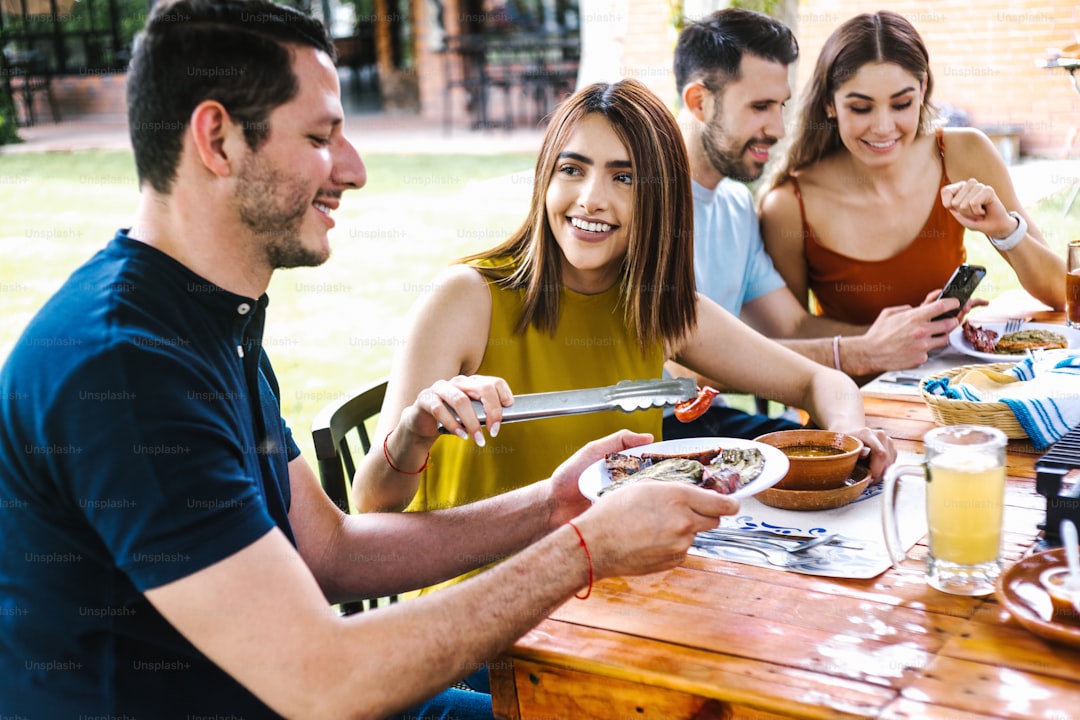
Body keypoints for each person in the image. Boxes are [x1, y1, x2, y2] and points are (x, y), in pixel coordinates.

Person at [0, 2, 746, 718]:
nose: (354, 169)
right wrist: (583, 550)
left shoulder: (205, 318)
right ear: (217, 139)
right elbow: (325, 683)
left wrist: (553, 505)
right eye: (322, 136)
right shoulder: (127, 367)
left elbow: (329, 551)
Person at [352, 79, 896, 548]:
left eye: (624, 177)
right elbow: (370, 508)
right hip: (479, 619)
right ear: (546, 178)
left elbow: (820, 383)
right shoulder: (465, 298)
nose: (590, 198)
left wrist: (852, 433)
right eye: (573, 169)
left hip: (611, 587)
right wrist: (411, 435)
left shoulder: (656, 309)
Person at [665, 8, 971, 435]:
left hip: (705, 421)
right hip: (639, 428)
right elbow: (685, 366)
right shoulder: (640, 203)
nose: (777, 128)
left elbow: (792, 326)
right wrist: (859, 353)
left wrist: (905, 336)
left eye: (781, 106)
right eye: (759, 107)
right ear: (699, 102)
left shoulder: (736, 206)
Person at [760, 10, 1065, 327]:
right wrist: (883, 342)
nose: (882, 126)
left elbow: (1062, 293)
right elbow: (788, 335)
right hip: (855, 378)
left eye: (901, 104)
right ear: (829, 104)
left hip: (952, 375)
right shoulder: (788, 206)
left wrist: (1005, 231)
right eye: (861, 108)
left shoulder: (963, 152)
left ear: (922, 89)